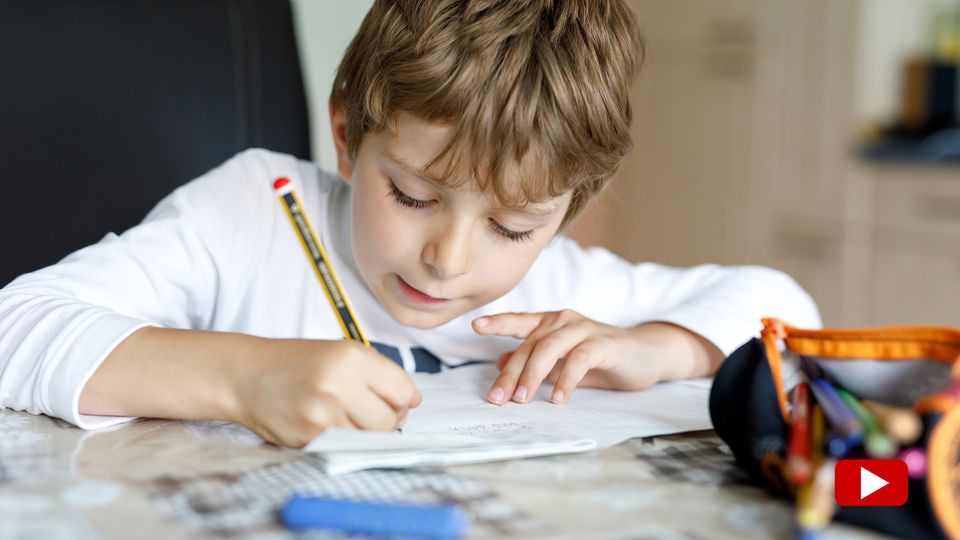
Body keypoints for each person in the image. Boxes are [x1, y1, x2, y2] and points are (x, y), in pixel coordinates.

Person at [0, 0, 819, 448]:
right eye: (415, 197)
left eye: (511, 227)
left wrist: (655, 348)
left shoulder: (554, 288)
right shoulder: (252, 212)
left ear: (569, 208)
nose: (448, 260)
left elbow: (782, 305)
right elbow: (16, 326)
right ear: (351, 136)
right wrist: (242, 376)